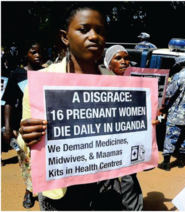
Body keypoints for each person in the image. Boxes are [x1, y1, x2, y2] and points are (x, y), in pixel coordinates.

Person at [17, 3, 123, 210]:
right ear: (65, 37)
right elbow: (24, 139)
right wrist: (26, 135)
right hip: (60, 191)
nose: (94, 36)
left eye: (100, 31)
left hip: (105, 185)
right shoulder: (42, 82)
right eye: (84, 30)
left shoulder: (116, 83)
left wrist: (145, 127)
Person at [2, 39, 44, 208]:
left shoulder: (47, 73)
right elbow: (9, 102)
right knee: (26, 161)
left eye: (40, 52)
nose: (38, 55)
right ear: (25, 55)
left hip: (43, 127)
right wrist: (7, 128)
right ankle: (29, 191)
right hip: (23, 130)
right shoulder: (17, 75)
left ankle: (44, 192)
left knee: (42, 161)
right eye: (33, 52)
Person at [104, 45, 143, 211]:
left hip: (128, 143)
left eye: (126, 58)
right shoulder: (101, 85)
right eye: (118, 58)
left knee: (129, 178)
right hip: (107, 144)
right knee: (106, 181)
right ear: (109, 64)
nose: (124, 62)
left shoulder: (138, 85)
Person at [158, 56, 185, 171]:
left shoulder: (178, 76)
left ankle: (166, 164)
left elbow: (169, 93)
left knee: (171, 137)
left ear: (179, 65)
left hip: (176, 114)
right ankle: (181, 162)